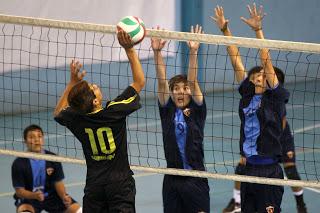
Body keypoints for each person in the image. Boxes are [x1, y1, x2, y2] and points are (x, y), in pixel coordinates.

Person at [212, 4, 308, 213]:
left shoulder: (275, 99)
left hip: (269, 170)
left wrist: (257, 30)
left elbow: (266, 59)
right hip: (248, 169)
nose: (259, 77)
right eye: (256, 76)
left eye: (263, 76)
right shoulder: (246, 96)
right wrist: (225, 31)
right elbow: (235, 59)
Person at [53, 30, 145, 213]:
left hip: (95, 187)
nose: (95, 85)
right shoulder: (114, 111)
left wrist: (72, 83)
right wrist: (129, 49)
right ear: (95, 101)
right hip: (120, 185)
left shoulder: (77, 118)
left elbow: (58, 113)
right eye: (93, 88)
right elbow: (139, 82)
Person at [151, 25, 210, 213]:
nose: (181, 92)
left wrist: (193, 52)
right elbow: (162, 81)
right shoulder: (166, 110)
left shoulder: (197, 109)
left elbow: (192, 82)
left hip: (195, 178)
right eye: (176, 88)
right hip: (172, 178)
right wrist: (157, 52)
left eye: (184, 88)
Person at [11, 124, 81, 213]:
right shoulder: (19, 163)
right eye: (32, 137)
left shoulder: (52, 158)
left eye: (39, 136)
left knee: (79, 211)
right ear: (25, 141)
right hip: (29, 197)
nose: (36, 140)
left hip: (51, 195)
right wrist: (34, 196)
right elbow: (19, 192)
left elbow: (58, 182)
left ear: (43, 139)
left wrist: (64, 196)